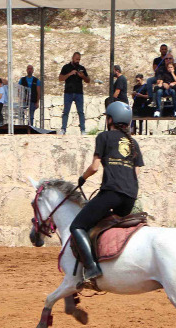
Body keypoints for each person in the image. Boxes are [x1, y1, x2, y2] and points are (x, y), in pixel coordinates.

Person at [71, 101, 143, 280]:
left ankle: (91, 268)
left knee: (77, 226)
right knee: (105, 223)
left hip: (112, 193)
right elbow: (136, 172)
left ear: (111, 119)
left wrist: (82, 178)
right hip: (130, 196)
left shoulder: (104, 137)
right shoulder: (133, 143)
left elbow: (95, 167)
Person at [59, 52, 90, 135]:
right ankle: (63, 129)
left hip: (79, 93)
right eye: (76, 59)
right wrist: (69, 74)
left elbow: (88, 80)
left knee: (81, 112)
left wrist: (82, 76)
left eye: (79, 59)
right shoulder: (66, 67)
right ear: (73, 58)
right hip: (68, 93)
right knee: (66, 111)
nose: (77, 61)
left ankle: (83, 130)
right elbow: (60, 78)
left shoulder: (81, 68)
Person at [145, 44, 169, 110]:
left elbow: (170, 68)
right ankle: (151, 97)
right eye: (162, 49)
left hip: (166, 77)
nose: (164, 50)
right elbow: (155, 69)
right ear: (160, 50)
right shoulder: (156, 60)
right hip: (158, 76)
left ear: (167, 50)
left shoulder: (168, 59)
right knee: (149, 80)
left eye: (165, 49)